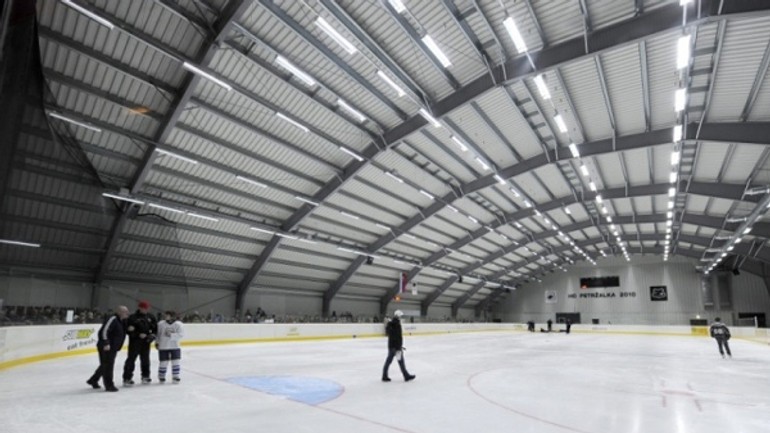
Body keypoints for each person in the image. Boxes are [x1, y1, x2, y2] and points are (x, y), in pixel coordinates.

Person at [87, 306, 129, 392]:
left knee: (105, 364)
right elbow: (104, 331)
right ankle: (109, 385)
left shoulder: (122, 321)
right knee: (108, 365)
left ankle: (93, 380)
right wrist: (106, 342)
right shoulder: (113, 319)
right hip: (106, 346)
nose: (127, 313)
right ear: (120, 312)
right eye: (125, 312)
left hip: (113, 346)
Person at [122, 300, 158, 385]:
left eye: (146, 308)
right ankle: (127, 377)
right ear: (139, 308)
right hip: (135, 342)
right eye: (143, 308)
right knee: (131, 360)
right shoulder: (132, 317)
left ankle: (145, 376)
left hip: (146, 342)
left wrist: (151, 336)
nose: (145, 310)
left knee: (145, 360)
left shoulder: (151, 317)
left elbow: (155, 329)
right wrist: (138, 334)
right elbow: (128, 330)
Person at [382, 310, 415, 382]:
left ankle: (385, 375)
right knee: (399, 362)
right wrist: (398, 347)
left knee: (390, 362)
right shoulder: (396, 324)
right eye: (401, 316)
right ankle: (406, 376)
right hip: (396, 347)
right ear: (398, 316)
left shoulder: (391, 324)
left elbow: (389, 333)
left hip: (392, 346)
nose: (401, 317)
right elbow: (397, 337)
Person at [156, 311, 184, 384]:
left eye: (167, 315)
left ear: (172, 316)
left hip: (175, 346)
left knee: (176, 362)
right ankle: (161, 376)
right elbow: (158, 334)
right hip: (163, 346)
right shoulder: (161, 324)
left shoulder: (178, 324)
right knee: (163, 362)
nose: (165, 316)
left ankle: (175, 376)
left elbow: (181, 335)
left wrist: (171, 335)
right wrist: (157, 342)